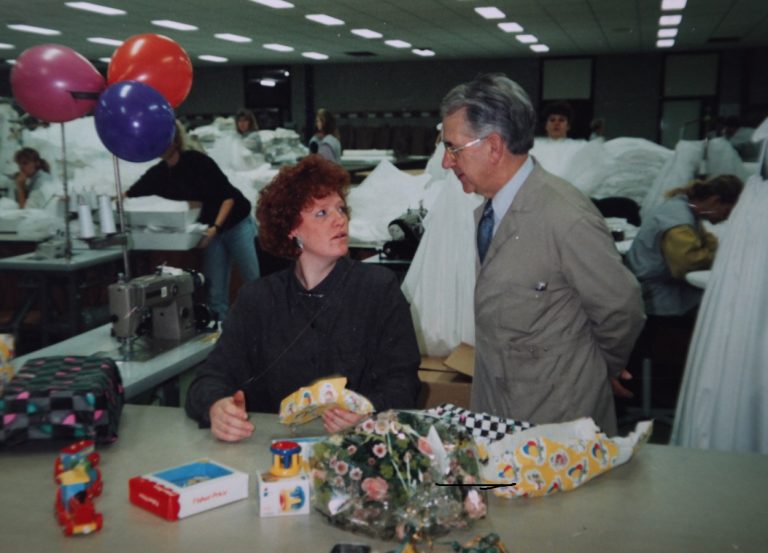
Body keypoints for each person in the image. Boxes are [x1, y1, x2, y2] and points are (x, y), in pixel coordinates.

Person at [439, 74, 645, 436]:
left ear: (493, 146)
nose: (446, 162)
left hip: (555, 420)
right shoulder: (492, 210)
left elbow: (621, 307)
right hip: (500, 409)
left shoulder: (565, 216)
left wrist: (599, 370)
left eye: (453, 148)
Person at [185, 155, 421, 442]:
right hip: (274, 455)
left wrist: (368, 411)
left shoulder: (378, 289)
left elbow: (405, 385)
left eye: (341, 209)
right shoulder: (257, 299)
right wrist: (216, 407)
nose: (340, 219)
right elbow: (209, 378)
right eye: (322, 213)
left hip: (356, 450)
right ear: (291, 228)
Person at [125, 120, 260, 321]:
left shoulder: (197, 161)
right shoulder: (160, 173)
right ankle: (221, 339)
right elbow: (132, 193)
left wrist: (215, 228)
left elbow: (228, 197)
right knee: (214, 294)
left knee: (254, 283)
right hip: (210, 230)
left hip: (235, 222)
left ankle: (268, 331)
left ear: (175, 139)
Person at [625, 174, 743, 317]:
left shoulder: (686, 208)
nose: (726, 218)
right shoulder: (679, 222)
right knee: (725, 305)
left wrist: (708, 250)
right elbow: (687, 264)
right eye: (727, 211)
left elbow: (710, 242)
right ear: (715, 201)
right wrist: (718, 257)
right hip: (656, 295)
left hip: (658, 285)